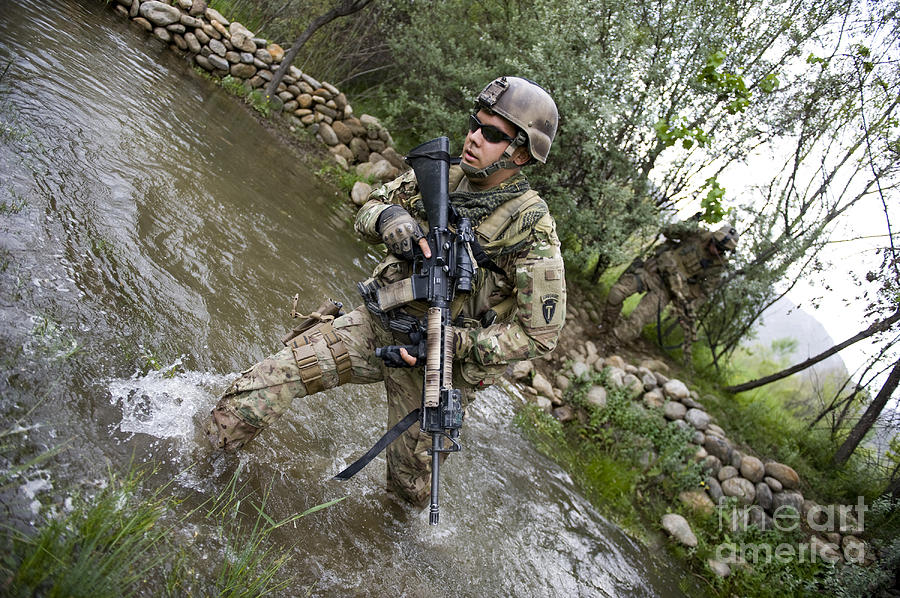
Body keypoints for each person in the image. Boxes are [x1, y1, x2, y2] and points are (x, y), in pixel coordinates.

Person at [205, 76, 566, 506]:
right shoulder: (440, 172)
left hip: (436, 369)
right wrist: (389, 219)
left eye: (491, 134)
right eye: (475, 123)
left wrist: (454, 342)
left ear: (520, 152)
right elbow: (371, 204)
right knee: (256, 390)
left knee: (407, 495)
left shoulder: (531, 227)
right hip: (378, 326)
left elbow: (540, 334)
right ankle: (197, 476)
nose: (472, 138)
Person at [600, 221, 738, 363]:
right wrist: (685, 226)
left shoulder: (717, 266)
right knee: (616, 293)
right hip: (652, 271)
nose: (715, 251)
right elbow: (667, 231)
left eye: (720, 250)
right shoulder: (697, 234)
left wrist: (687, 306)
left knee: (637, 320)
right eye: (715, 245)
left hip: (665, 291)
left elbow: (704, 293)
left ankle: (608, 343)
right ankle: (604, 328)